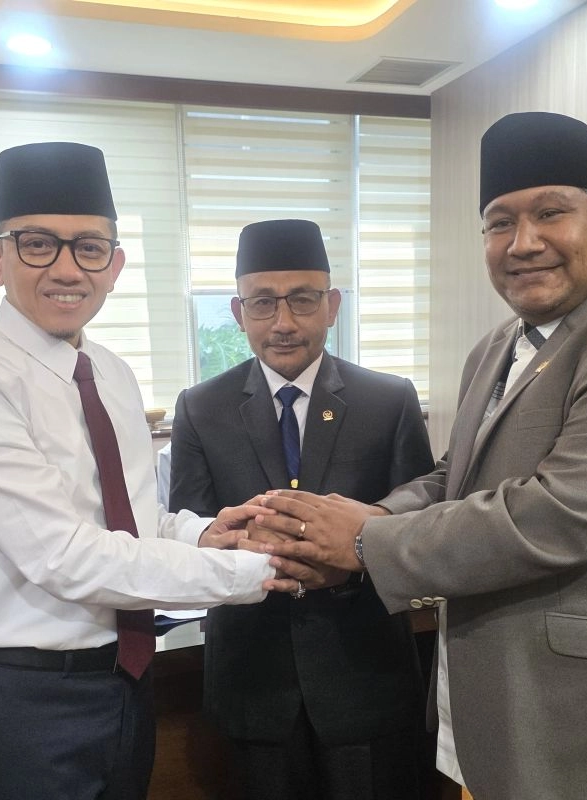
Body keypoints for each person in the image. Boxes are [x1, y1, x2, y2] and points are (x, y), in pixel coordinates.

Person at [255, 112, 587, 799]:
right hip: (510, 714)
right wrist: (371, 515)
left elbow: (557, 513)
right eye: (499, 222)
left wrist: (367, 542)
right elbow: (455, 478)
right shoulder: (498, 346)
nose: (523, 243)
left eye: (550, 213)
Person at [0, 142, 312, 800]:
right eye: (39, 244)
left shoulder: (111, 374)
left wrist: (205, 533)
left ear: (115, 266)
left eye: (89, 248)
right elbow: (64, 555)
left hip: (124, 682)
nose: (67, 268)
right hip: (23, 697)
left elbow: (128, 517)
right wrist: (256, 570)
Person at [169, 218, 435, 800]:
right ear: (238, 312)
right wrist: (243, 550)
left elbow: (420, 529)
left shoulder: (388, 399)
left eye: (303, 300)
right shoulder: (200, 408)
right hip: (253, 680)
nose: (283, 322)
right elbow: (188, 531)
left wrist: (355, 557)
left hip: (366, 676)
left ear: (332, 306)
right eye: (263, 303)